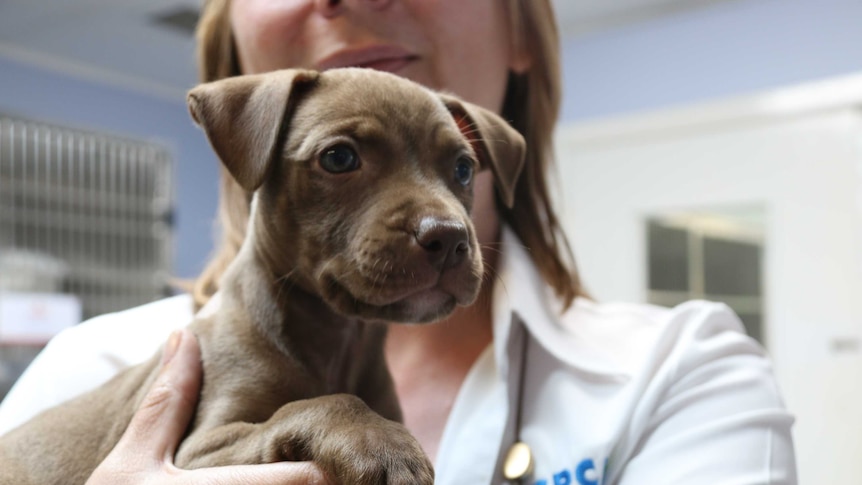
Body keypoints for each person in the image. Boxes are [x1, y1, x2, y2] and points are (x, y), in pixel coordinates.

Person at [0, 0, 798, 483]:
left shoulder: (685, 372)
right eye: (342, 158)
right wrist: (328, 418)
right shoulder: (99, 364)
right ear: (251, 139)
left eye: (459, 168)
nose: (437, 217)